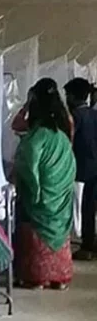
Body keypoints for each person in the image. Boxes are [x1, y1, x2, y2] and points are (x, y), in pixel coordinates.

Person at [12, 78, 77, 289]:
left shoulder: (37, 134)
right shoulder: (64, 127)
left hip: (43, 189)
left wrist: (36, 189)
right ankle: (59, 277)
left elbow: (27, 163)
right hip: (61, 185)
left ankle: (36, 276)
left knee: (32, 225)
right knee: (58, 227)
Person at [65, 78, 97, 259]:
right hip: (94, 166)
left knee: (85, 208)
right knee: (90, 207)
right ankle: (90, 243)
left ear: (72, 96)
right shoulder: (94, 114)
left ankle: (87, 246)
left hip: (81, 169)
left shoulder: (74, 117)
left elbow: (67, 141)